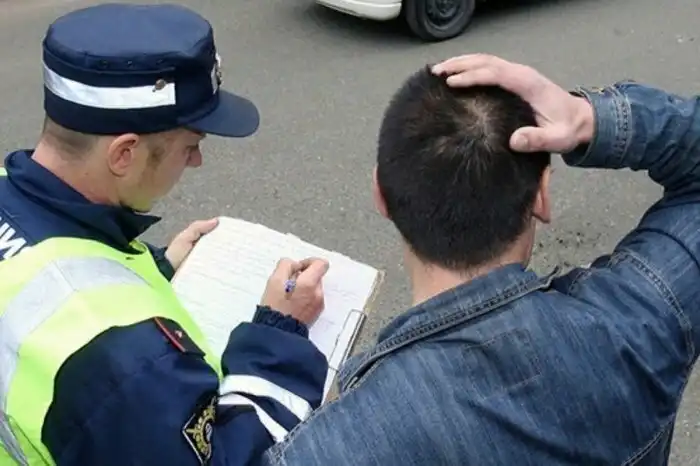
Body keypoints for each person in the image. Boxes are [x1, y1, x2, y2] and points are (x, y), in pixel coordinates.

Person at [255, 58, 700, 465]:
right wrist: (589, 118)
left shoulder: (335, 447)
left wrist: (269, 347)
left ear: (381, 195)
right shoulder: (641, 322)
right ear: (542, 196)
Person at [0, 3, 329, 466]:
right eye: (190, 145)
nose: (196, 161)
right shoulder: (126, 367)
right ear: (124, 153)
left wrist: (156, 268)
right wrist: (281, 336)